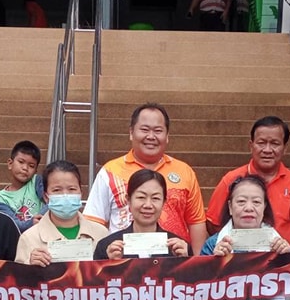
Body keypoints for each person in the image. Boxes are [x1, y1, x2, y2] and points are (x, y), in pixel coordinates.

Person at [84, 103, 207, 254]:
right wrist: (103, 256)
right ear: (131, 133)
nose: (151, 136)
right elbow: (94, 222)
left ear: (167, 136)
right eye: (144, 130)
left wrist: (195, 262)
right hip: (122, 263)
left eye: (158, 131)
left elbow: (196, 222)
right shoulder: (110, 171)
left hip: (173, 262)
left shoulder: (185, 171)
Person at [206, 117, 290, 244]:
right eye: (261, 143)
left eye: (275, 144)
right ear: (251, 146)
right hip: (237, 259)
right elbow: (213, 224)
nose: (267, 150)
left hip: (281, 259)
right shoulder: (230, 180)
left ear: (285, 147)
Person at [15, 160, 107, 265]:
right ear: (46, 197)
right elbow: (18, 279)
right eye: (57, 190)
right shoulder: (29, 238)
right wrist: (29, 265)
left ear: (81, 193)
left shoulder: (101, 234)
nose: (65, 195)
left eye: (72, 189)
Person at [93, 170, 191, 259]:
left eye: (155, 198)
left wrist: (184, 261)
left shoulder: (179, 248)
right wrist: (108, 264)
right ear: (128, 200)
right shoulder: (107, 247)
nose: (148, 205)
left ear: (164, 202)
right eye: (141, 197)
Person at [202, 175, 290, 256]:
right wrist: (214, 262)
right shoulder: (212, 245)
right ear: (230, 207)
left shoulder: (278, 244)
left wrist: (287, 258)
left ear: (264, 207)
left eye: (256, 202)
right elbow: (199, 272)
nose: (249, 208)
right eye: (241, 201)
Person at [0, 140, 46, 232]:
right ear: (10, 164)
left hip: (41, 234)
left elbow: (52, 203)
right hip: (18, 239)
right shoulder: (1, 198)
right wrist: (32, 222)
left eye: (31, 166)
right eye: (21, 162)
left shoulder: (36, 181)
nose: (25, 168)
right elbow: (12, 224)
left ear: (36, 170)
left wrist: (39, 219)